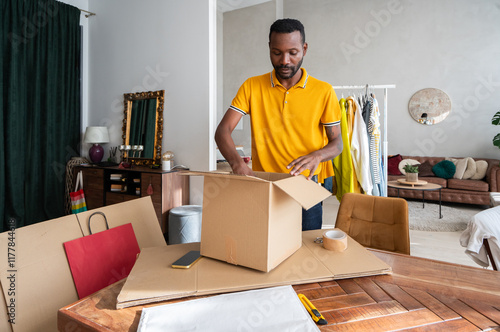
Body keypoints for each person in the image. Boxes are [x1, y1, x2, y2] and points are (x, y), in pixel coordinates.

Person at [215, 18, 343, 230]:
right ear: (269, 49)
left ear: (304, 49)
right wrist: (237, 164)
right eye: (277, 53)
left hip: (306, 185)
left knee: (306, 250)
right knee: (266, 246)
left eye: (293, 53)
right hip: (266, 185)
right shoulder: (251, 86)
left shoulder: (324, 91)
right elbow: (223, 131)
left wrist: (317, 155)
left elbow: (337, 143)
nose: (285, 60)